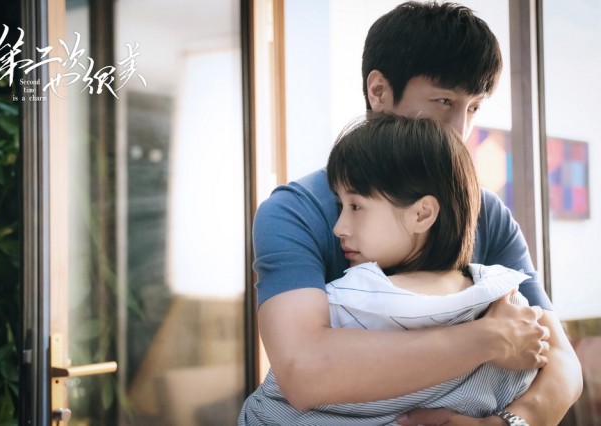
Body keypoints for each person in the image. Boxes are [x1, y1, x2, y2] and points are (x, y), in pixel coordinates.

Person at [250, 2, 582, 425]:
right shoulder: (295, 212)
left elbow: (562, 363)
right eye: (443, 101)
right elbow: (305, 371)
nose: (461, 130)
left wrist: (507, 423)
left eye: (474, 108)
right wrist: (488, 338)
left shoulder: (488, 214)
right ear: (378, 92)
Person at [239, 114, 538, 425]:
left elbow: (288, 388)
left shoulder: (351, 297)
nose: (339, 228)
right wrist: (487, 341)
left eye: (355, 207)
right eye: (341, 206)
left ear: (422, 214)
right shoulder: (508, 302)